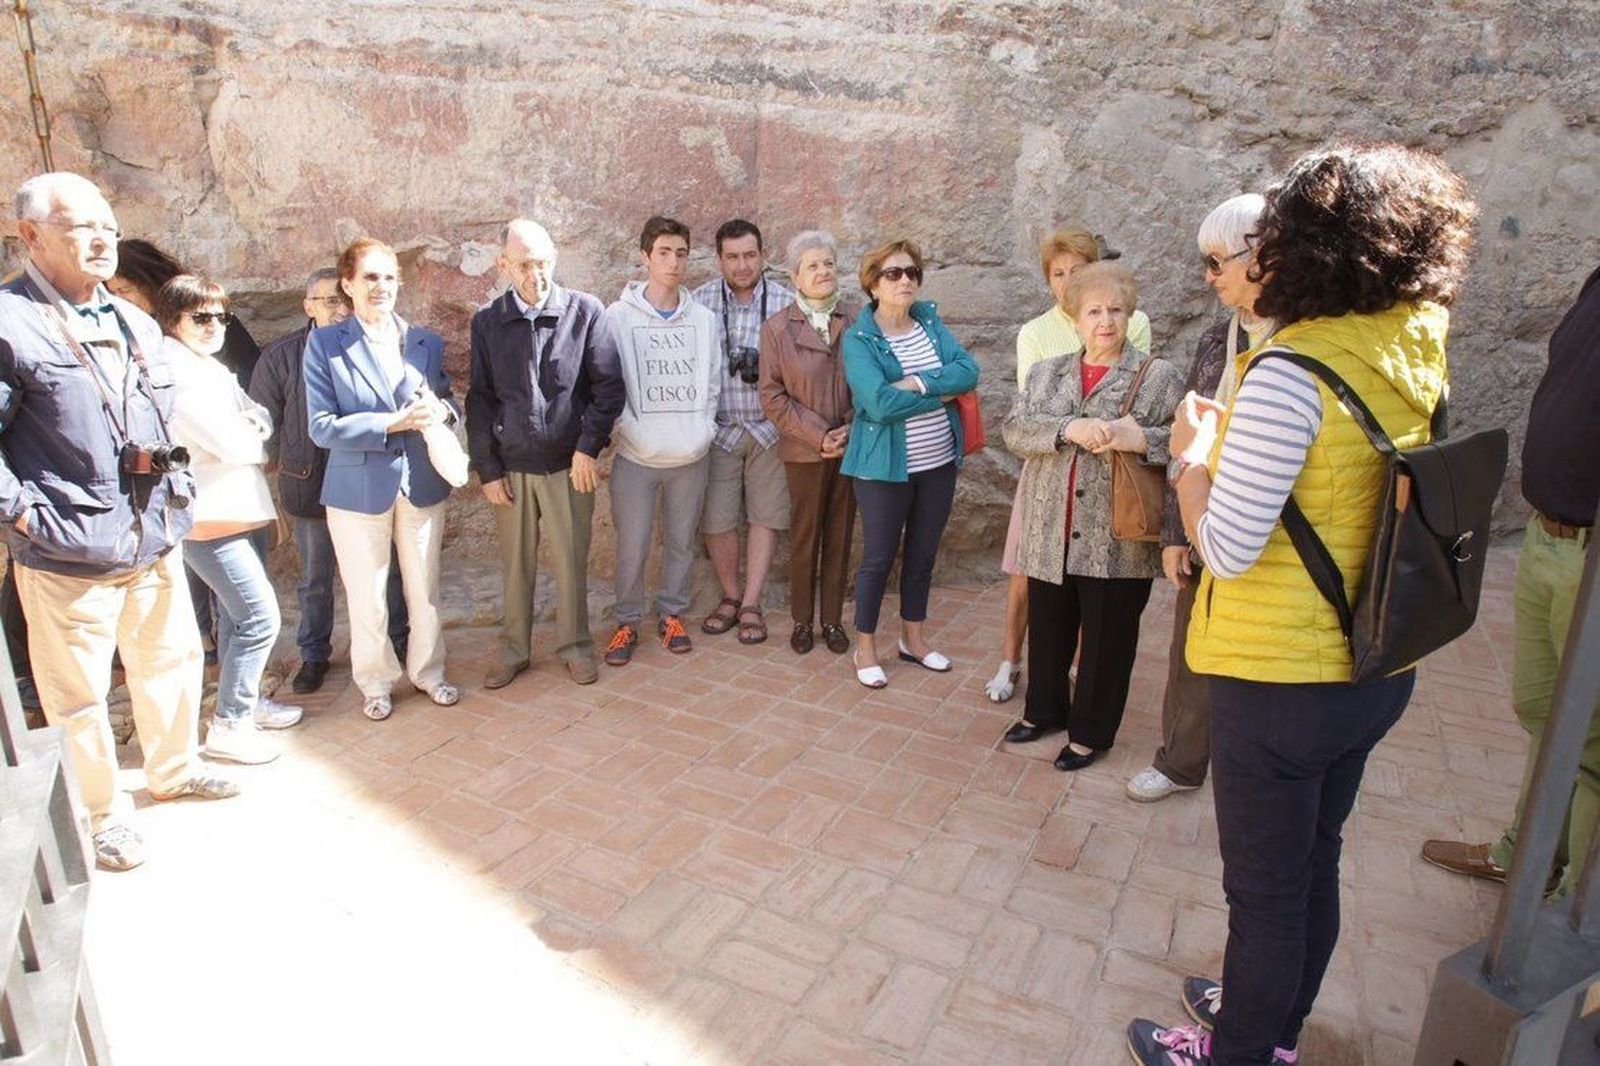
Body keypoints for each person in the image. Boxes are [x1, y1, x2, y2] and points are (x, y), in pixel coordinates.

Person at [1127, 143, 1478, 1066]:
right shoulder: (1408, 343)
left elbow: (1230, 549)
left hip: (1282, 675)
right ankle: (1268, 1016)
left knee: (1267, 893)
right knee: (1312, 861)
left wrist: (1195, 457)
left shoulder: (1295, 370)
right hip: (1374, 663)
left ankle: (1239, 1048)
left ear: (1315, 244)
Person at [0, 172, 237, 871]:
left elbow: (158, 417)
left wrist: (180, 493)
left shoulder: (131, 320)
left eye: (107, 223)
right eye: (81, 226)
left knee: (171, 659)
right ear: (32, 237)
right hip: (66, 551)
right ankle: (102, 816)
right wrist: (29, 515)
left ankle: (173, 768)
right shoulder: (9, 324)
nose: (102, 238)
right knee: (77, 697)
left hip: (150, 535)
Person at [1420, 262, 1600, 895]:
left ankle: (1568, 918)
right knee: (1544, 712)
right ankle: (1525, 856)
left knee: (1594, 737)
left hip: (1592, 556)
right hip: (1550, 537)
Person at [999, 262, 1183, 771]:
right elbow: (1014, 430)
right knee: (1051, 628)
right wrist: (1067, 428)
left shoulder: (1158, 376)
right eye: (1095, 311)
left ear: (1130, 315)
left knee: (1107, 641)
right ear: (1074, 318)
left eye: (1116, 310)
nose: (1106, 321)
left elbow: (1186, 445)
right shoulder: (1047, 372)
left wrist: (1141, 438)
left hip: (1117, 538)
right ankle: (1045, 711)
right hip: (1049, 529)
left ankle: (1090, 733)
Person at [1126, 194, 1275, 803]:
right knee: (1192, 649)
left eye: (1216, 262)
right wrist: (1172, 535)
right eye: (1204, 263)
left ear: (1260, 256)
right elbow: (1186, 436)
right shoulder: (1217, 340)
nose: (1208, 277)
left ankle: (1261, 773)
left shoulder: (1307, 342)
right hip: (1200, 511)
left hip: (1271, 526)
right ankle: (1181, 761)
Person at [985, 228, 1154, 703]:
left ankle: (1082, 679)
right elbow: (1027, 417)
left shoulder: (1135, 334)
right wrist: (1070, 429)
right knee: (1031, 578)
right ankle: (1018, 669)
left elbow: (1140, 404)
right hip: (1049, 474)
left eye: (1077, 271)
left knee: (1093, 588)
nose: (1067, 282)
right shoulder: (1038, 339)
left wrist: (1119, 432)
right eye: (1058, 274)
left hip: (1110, 483)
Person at [303, 237, 461, 721]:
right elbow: (321, 426)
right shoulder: (327, 343)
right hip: (357, 488)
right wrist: (389, 423)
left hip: (420, 482)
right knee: (368, 596)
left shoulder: (424, 341)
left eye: (389, 277)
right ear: (347, 284)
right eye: (370, 277)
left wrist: (442, 411)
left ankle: (429, 673)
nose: (381, 287)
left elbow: (449, 403)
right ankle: (374, 682)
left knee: (425, 591)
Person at [465, 219, 623, 688]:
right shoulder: (488, 322)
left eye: (543, 262)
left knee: (572, 560)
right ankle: (514, 650)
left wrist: (587, 448)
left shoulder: (585, 312)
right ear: (504, 266)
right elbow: (480, 399)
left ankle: (575, 646)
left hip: (568, 465)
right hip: (512, 467)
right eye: (525, 264)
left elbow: (608, 388)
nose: (537, 274)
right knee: (516, 567)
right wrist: (487, 469)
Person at [159, 275, 303, 765]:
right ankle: (230, 725)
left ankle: (243, 705)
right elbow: (240, 441)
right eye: (200, 317)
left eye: (221, 316)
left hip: (235, 507)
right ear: (173, 320)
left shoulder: (205, 366)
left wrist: (251, 429)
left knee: (235, 618)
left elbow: (257, 416)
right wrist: (251, 432)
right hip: (210, 515)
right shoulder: (177, 372)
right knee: (259, 616)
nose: (214, 326)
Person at [250, 268, 410, 694]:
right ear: (308, 306)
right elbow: (264, 422)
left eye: (344, 299)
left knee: (385, 571)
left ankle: (398, 642)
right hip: (311, 483)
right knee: (316, 578)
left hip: (365, 480)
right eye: (329, 301)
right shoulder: (282, 356)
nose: (340, 309)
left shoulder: (371, 346)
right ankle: (314, 654)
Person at [841, 239, 978, 688]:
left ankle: (913, 640)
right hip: (883, 468)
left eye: (912, 272)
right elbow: (877, 404)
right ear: (873, 284)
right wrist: (940, 395)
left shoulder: (930, 323)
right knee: (878, 559)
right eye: (893, 273)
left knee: (922, 556)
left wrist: (917, 383)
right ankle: (865, 648)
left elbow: (968, 371)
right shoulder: (859, 338)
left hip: (938, 462)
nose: (905, 280)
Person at [601, 216, 720, 666]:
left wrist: (703, 432)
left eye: (682, 253)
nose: (673, 263)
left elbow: (711, 383)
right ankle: (627, 621)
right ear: (645, 257)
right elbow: (607, 384)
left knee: (681, 542)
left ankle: (672, 614)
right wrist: (628, 432)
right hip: (637, 455)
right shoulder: (617, 317)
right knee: (632, 542)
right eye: (664, 253)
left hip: (691, 453)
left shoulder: (704, 319)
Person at [692, 220, 794, 645]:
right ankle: (730, 597)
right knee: (716, 519)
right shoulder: (698, 303)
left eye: (750, 255)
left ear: (763, 255)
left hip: (770, 429)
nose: (742, 265)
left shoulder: (787, 304)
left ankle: (752, 602)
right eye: (732, 257)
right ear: (719, 260)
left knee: (765, 516)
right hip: (718, 430)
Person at [758, 230, 857, 656]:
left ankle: (833, 620)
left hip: (852, 446)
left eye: (829, 264)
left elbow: (874, 384)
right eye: (813, 265)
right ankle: (802, 620)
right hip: (804, 451)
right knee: (805, 537)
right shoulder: (777, 328)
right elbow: (771, 395)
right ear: (795, 276)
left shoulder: (858, 321)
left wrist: (850, 429)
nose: (823, 271)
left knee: (840, 534)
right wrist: (819, 436)